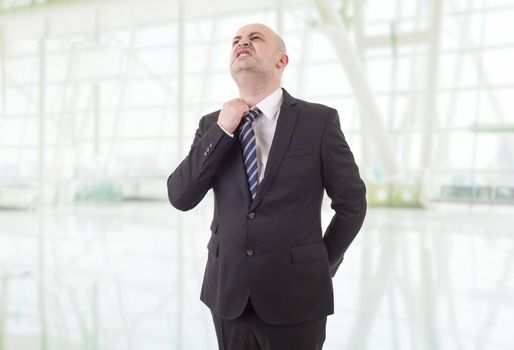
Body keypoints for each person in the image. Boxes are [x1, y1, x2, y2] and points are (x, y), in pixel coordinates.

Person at [167, 23, 366, 350]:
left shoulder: (319, 121)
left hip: (298, 297)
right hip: (228, 295)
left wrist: (320, 263)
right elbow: (181, 196)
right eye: (236, 41)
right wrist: (222, 131)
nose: (242, 42)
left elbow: (352, 203)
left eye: (255, 38)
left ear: (281, 61)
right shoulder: (211, 125)